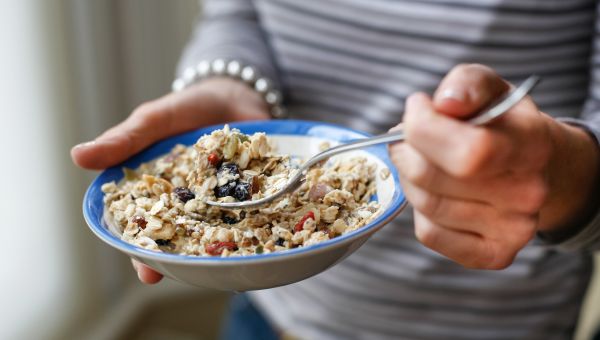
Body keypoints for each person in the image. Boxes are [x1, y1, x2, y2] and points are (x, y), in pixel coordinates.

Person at [72, 1, 600, 339]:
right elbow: (238, 12)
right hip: (272, 307)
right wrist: (227, 83)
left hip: (491, 319)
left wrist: (567, 174)